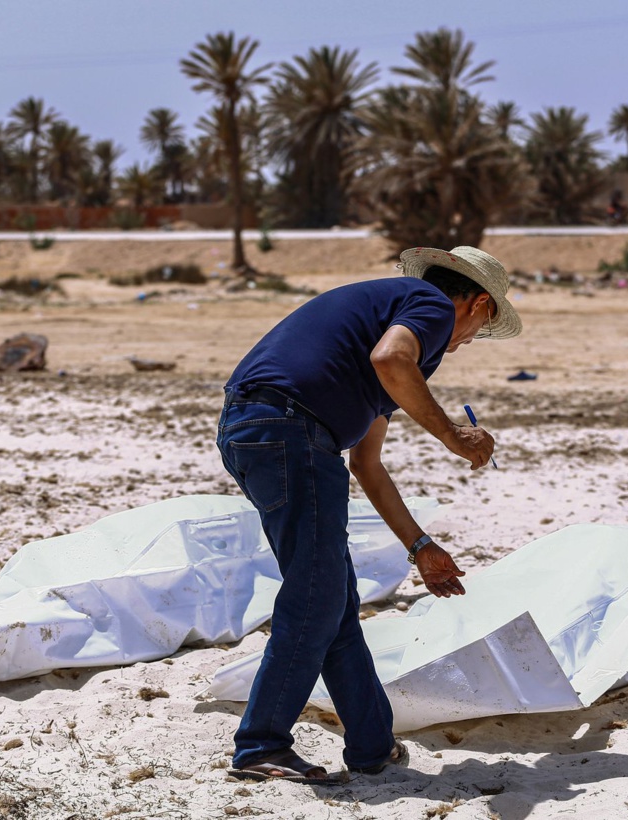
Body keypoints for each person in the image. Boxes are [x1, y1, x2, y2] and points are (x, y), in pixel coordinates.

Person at [216, 245, 522, 783]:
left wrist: (420, 547)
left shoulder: (392, 324)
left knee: (332, 598)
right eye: (481, 328)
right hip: (289, 431)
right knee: (316, 596)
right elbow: (391, 360)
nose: (469, 341)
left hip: (262, 431)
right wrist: (453, 435)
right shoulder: (429, 304)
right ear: (478, 303)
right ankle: (261, 744)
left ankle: (371, 746)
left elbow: (367, 463)